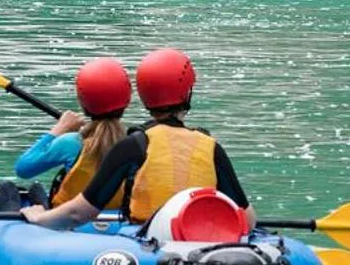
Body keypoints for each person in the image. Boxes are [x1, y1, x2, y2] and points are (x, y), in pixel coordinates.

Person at [22, 48, 253, 231]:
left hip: (145, 243)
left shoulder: (134, 145)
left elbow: (78, 213)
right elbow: (248, 219)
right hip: (198, 238)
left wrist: (40, 218)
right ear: (187, 92)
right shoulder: (210, 146)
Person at [12, 57, 131, 205]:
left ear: (83, 104)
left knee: (11, 189)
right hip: (121, 219)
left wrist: (58, 129)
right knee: (36, 189)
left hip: (71, 218)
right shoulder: (137, 142)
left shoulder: (70, 142)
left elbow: (23, 169)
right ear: (127, 100)